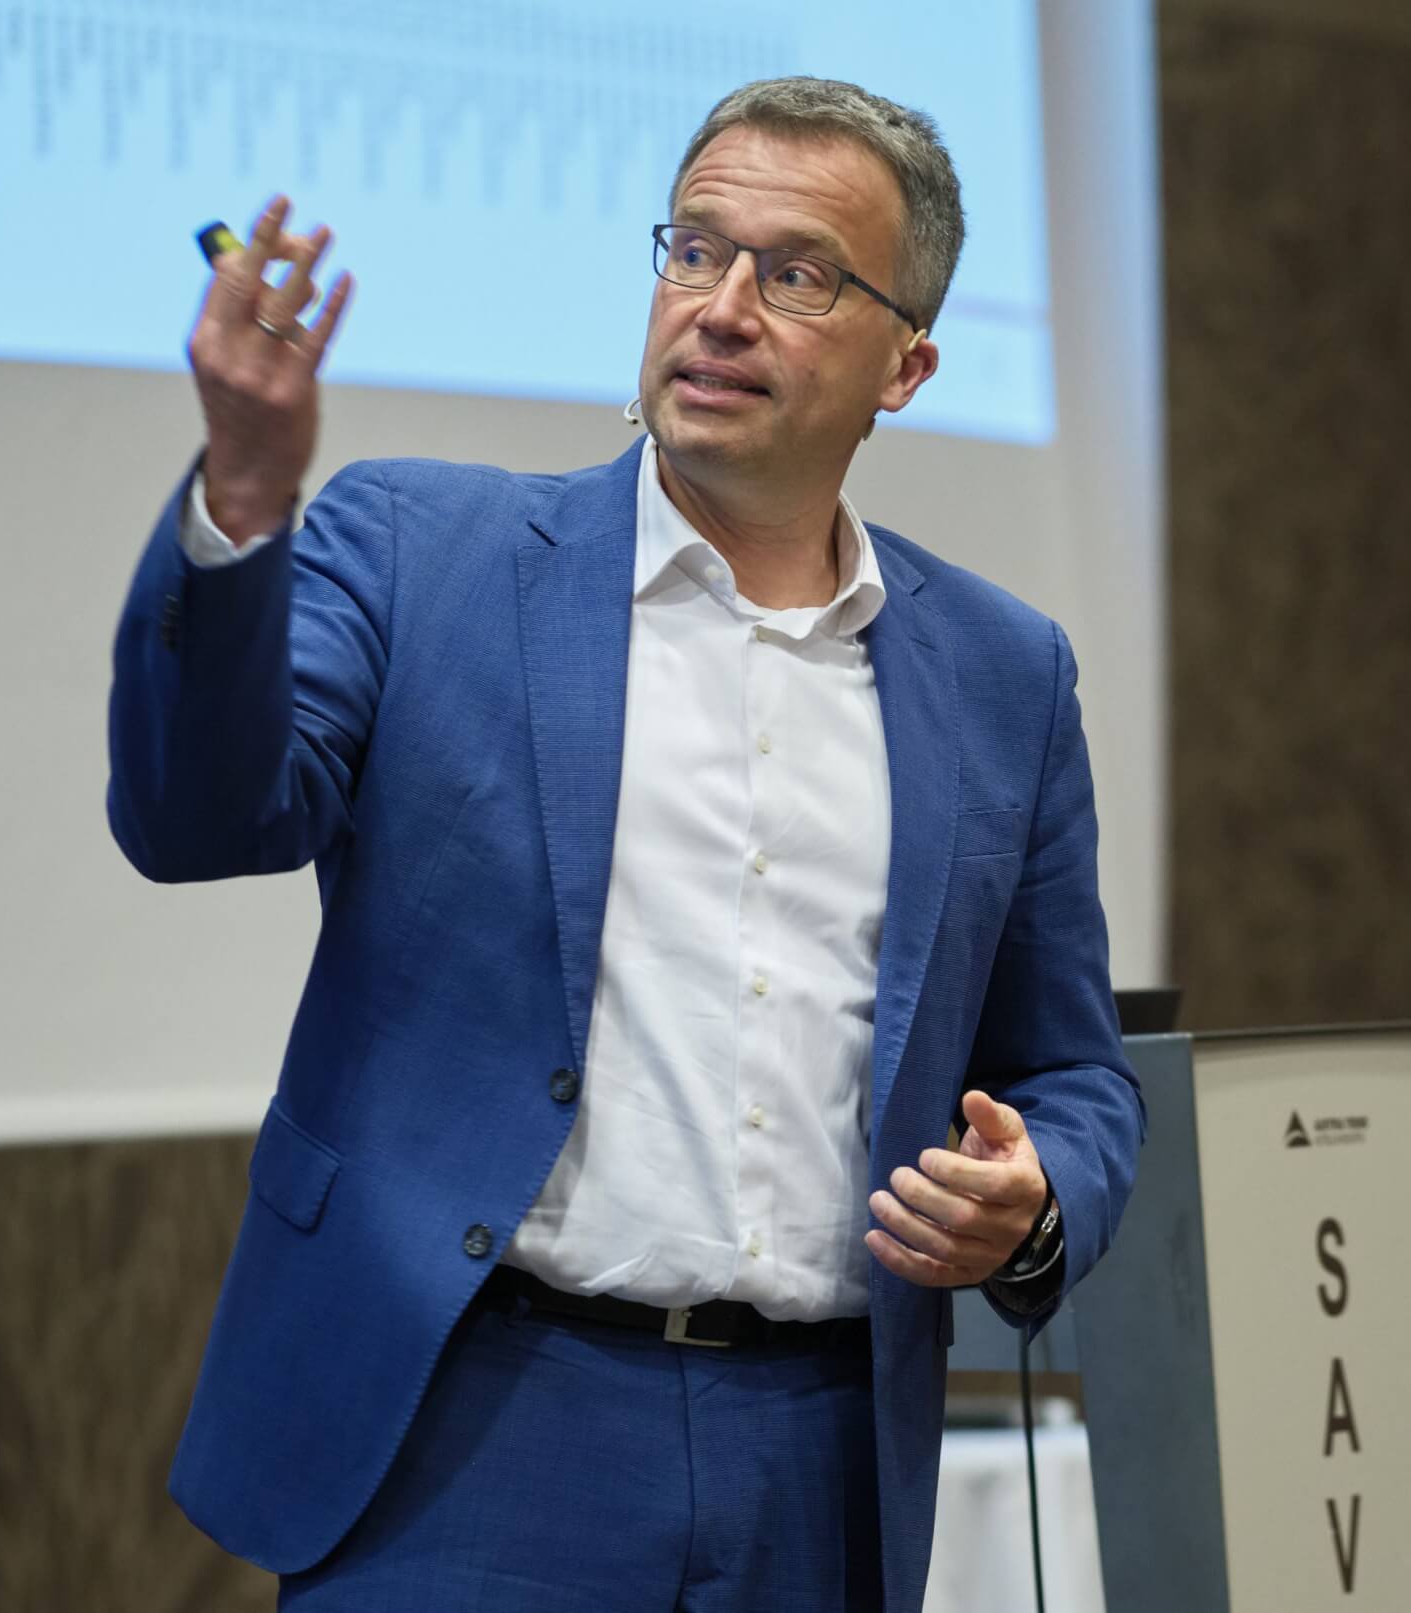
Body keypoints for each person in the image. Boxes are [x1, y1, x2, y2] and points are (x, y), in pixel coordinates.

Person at [106, 76, 1144, 1613]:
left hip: (822, 1460)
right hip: (471, 1430)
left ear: (907, 363)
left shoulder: (1004, 674)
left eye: (798, 275)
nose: (721, 307)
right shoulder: (423, 554)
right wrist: (247, 497)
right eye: (696, 249)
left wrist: (1038, 1192)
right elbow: (197, 814)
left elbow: (1076, 1075)